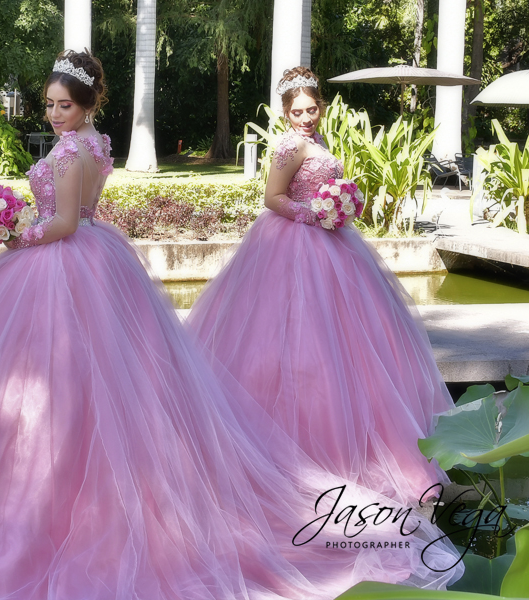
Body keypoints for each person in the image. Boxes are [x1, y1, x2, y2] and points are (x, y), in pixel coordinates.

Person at [0, 54, 461, 600]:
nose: (53, 114)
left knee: (59, 389)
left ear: (86, 105)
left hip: (60, 265)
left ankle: (43, 511)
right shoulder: (96, 145)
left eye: (63, 105)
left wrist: (16, 234)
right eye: (49, 105)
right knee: (89, 389)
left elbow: (65, 223)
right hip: (97, 261)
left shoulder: (75, 150)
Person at [187, 67, 455, 505]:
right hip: (293, 244)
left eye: (311, 109)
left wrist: (341, 205)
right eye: (297, 112)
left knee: (351, 340)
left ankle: (362, 446)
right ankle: (290, 448)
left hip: (330, 242)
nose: (305, 118)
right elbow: (272, 197)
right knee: (293, 338)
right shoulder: (289, 145)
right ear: (286, 113)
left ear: (321, 107)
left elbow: (323, 185)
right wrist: (314, 213)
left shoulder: (318, 140)